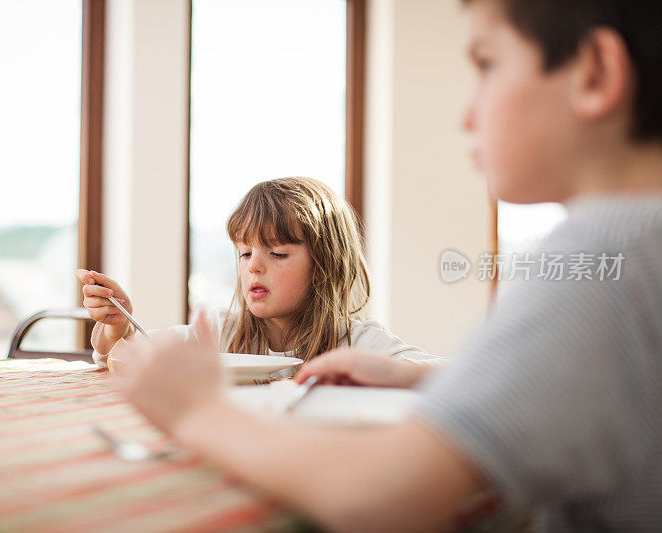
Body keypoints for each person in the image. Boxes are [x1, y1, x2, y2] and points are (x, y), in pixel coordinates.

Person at [108, 0, 662, 530]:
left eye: (487, 65)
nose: (467, 113)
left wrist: (196, 413)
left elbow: (376, 498)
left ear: (595, 73)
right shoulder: (633, 252)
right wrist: (414, 374)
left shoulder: (599, 259)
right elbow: (549, 388)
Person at [76, 177, 437, 374]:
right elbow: (128, 355)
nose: (253, 267)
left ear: (325, 266)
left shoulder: (356, 342)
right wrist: (117, 326)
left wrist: (391, 373)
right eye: (245, 253)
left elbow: (457, 377)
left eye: (277, 253)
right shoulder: (221, 331)